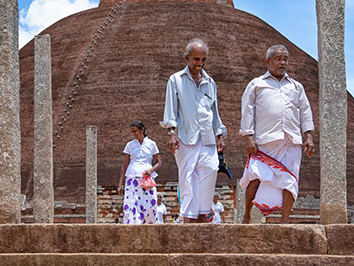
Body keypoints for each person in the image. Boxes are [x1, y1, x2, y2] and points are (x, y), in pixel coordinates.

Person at [239, 45, 315, 223]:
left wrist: (308, 136)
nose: (282, 62)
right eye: (278, 59)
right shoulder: (257, 84)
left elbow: (305, 111)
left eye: (285, 59)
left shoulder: (296, 87)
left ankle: (284, 221)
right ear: (268, 61)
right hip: (264, 140)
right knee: (255, 177)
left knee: (290, 180)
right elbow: (247, 110)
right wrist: (249, 137)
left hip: (291, 140)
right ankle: (247, 215)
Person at [161, 38, 227, 223]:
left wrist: (220, 134)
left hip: (207, 136)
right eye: (196, 59)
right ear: (187, 58)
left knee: (211, 169)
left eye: (203, 60)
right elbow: (171, 108)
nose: (200, 64)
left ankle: (203, 212)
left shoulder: (210, 82)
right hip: (185, 137)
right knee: (188, 176)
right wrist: (171, 133)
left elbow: (214, 111)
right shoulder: (176, 80)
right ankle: (189, 219)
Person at [118, 120, 162, 224]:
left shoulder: (151, 144)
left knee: (150, 205)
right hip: (132, 178)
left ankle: (149, 228)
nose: (133, 134)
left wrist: (151, 170)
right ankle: (132, 229)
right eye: (132, 132)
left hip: (146, 179)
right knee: (131, 205)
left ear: (142, 130)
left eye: (135, 131)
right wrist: (120, 183)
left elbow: (159, 162)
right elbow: (125, 165)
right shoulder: (130, 145)